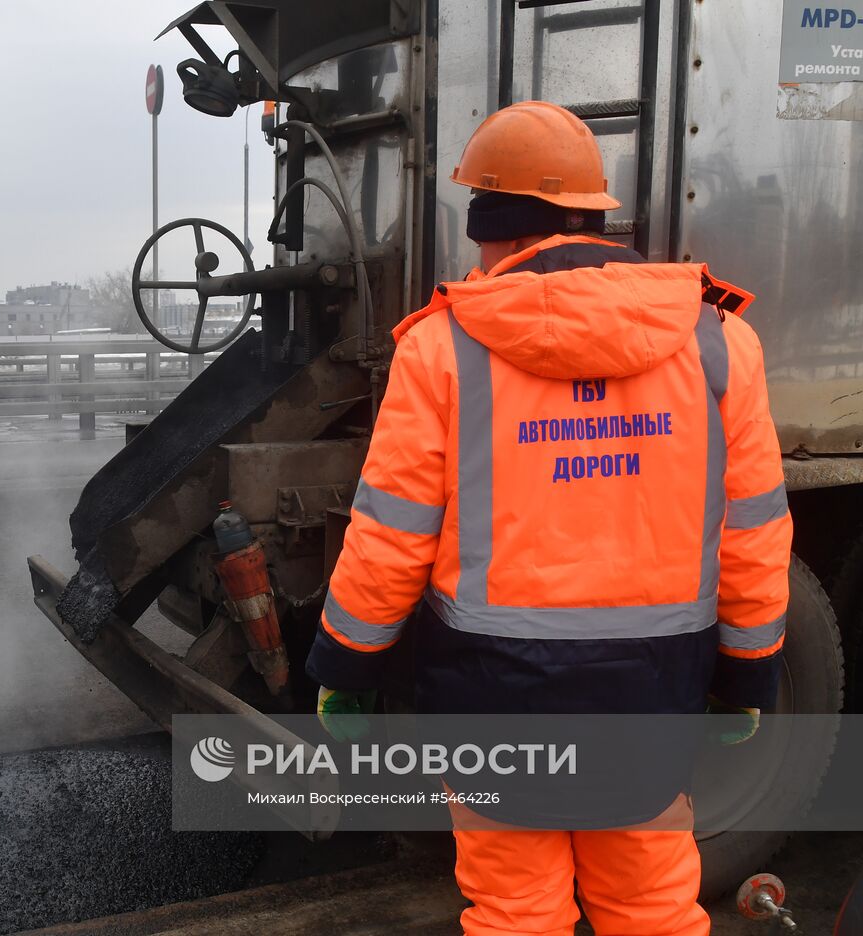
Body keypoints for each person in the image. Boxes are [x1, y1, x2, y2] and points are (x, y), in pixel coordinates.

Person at [307, 100, 790, 935]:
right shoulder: (715, 344)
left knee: (516, 913)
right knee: (651, 906)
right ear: (593, 215)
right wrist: (747, 672)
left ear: (491, 225)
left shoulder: (443, 347)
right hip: (652, 692)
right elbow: (750, 530)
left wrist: (347, 667)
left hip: (492, 696)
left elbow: (391, 531)